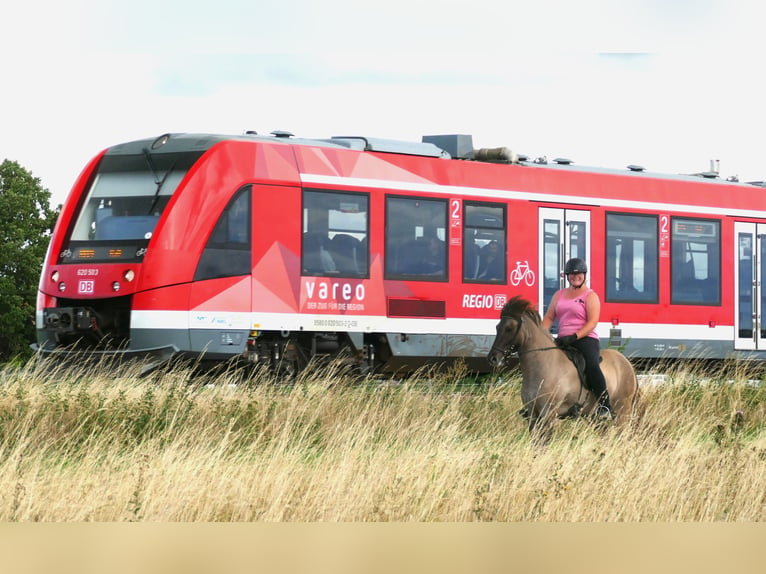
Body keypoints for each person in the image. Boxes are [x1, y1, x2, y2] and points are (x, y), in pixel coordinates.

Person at [542, 257, 613, 419]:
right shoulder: (558, 295)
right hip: (563, 340)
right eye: (572, 274)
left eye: (579, 274)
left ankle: (605, 405)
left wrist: (575, 336)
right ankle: (538, 404)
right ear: (567, 276)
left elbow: (592, 322)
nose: (576, 276)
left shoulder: (590, 296)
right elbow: (549, 317)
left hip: (585, 339)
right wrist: (540, 333)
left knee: (592, 366)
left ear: (584, 275)